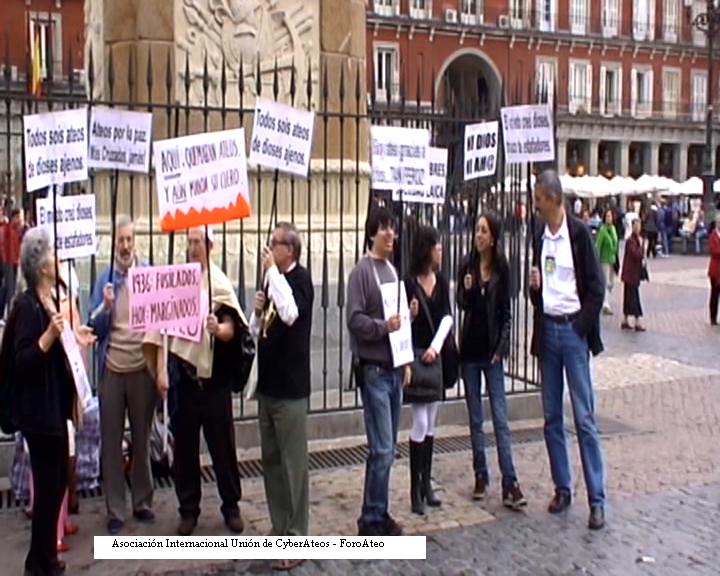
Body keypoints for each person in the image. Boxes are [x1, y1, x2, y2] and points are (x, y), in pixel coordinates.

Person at [144, 227, 248, 536]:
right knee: (185, 450)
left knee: (223, 448)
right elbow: (158, 328)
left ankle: (231, 505)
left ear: (210, 245)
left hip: (213, 381)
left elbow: (235, 327)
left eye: (197, 242)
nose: (192, 248)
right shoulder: (176, 281)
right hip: (184, 378)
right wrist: (161, 370)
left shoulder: (218, 282)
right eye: (189, 242)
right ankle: (188, 509)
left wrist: (220, 330)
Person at [529, 170, 606, 531]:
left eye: (538, 197)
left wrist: (580, 326)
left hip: (572, 332)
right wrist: (534, 289)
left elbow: (596, 287)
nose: (535, 202)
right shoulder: (537, 235)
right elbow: (539, 291)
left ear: (553, 198)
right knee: (550, 417)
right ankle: (563, 488)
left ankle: (597, 498)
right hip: (548, 331)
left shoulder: (578, 234)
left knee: (584, 418)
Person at [9, 228, 74, 576]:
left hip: (55, 409)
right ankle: (39, 563)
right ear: (41, 264)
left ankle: (43, 556)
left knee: (57, 484)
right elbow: (22, 362)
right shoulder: (27, 306)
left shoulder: (50, 297)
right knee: (48, 489)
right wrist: (48, 337)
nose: (58, 258)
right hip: (38, 413)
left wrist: (77, 341)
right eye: (52, 253)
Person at [88, 216, 157, 535]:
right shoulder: (105, 279)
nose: (125, 246)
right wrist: (105, 306)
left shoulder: (148, 275)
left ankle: (142, 501)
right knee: (111, 443)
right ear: (113, 244)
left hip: (141, 369)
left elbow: (161, 322)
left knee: (142, 439)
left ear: (136, 241)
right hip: (112, 371)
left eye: (129, 239)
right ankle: (115, 508)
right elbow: (93, 327)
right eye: (120, 240)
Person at [250, 223, 313, 572]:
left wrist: (273, 274)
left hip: (291, 389)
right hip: (268, 386)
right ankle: (280, 528)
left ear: (290, 249)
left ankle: (297, 533)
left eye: (274, 243)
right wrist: (258, 311)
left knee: (293, 467)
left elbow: (289, 313)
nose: (268, 247)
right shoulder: (269, 279)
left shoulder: (301, 280)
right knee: (272, 464)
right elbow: (259, 328)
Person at [347, 206, 412, 537]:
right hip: (372, 370)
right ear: (372, 232)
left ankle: (378, 510)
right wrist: (382, 327)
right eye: (385, 228)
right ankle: (370, 519)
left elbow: (398, 324)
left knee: (388, 447)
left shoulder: (392, 271)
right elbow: (355, 320)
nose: (391, 234)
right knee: (382, 447)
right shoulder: (362, 272)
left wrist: (405, 359)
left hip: (392, 369)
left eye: (394, 229)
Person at [458, 212, 526, 509]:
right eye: (477, 230)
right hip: (470, 353)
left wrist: (502, 348)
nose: (478, 235)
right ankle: (480, 474)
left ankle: (509, 481)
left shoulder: (502, 268)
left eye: (483, 231)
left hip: (492, 354)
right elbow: (462, 303)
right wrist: (468, 288)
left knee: (500, 418)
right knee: (475, 419)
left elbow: (507, 314)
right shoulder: (467, 266)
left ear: (494, 236)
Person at [404, 226, 452, 516]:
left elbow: (447, 316)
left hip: (436, 356)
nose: (441, 251)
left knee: (432, 420)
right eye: (437, 246)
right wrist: (409, 317)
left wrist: (437, 347)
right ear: (426, 249)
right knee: (419, 420)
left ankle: (426, 483)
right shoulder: (409, 283)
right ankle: (414, 489)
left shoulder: (442, 282)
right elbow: (400, 324)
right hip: (417, 355)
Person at [621, 218, 646, 332]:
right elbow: (636, 254)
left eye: (639, 225)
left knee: (629, 297)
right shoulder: (631, 240)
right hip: (631, 274)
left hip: (631, 274)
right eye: (636, 225)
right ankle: (636, 321)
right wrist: (642, 248)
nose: (638, 228)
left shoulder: (635, 240)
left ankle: (625, 320)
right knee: (633, 297)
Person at [595, 209, 619, 316]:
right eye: (607, 216)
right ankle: (605, 304)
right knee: (606, 282)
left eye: (610, 216)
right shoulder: (602, 230)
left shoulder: (613, 229)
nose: (609, 218)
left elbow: (616, 244)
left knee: (611, 283)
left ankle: (603, 299)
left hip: (612, 259)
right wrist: (596, 260)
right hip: (604, 260)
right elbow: (598, 246)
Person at [709, 214, 720, 325]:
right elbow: (714, 251)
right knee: (715, 294)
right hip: (715, 270)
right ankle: (713, 317)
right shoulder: (713, 235)